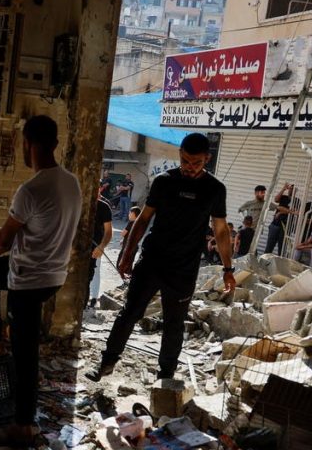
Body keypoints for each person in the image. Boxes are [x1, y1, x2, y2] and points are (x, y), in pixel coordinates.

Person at [89, 133, 235, 382]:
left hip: (184, 270)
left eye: (196, 163)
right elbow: (143, 219)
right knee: (129, 313)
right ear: (180, 155)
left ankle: (165, 377)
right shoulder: (164, 181)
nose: (189, 167)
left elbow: (221, 230)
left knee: (174, 324)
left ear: (207, 159)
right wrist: (127, 254)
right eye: (185, 161)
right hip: (152, 261)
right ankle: (107, 362)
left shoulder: (215, 189)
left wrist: (228, 269)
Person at [0, 115, 82, 445]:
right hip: (54, 275)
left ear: (27, 145)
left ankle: (23, 425)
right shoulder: (71, 183)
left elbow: (3, 240)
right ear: (55, 144)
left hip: (28, 279)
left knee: (25, 353)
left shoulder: (30, 190)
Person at [87, 188, 114, 309]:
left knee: (95, 272)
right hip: (77, 247)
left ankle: (93, 297)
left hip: (95, 246)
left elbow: (108, 231)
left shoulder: (104, 207)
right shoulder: (77, 202)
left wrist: (101, 246)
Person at [264, 183, 296, 256]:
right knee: (269, 246)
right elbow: (276, 199)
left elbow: (295, 212)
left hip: (286, 226)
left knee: (282, 249)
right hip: (275, 224)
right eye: (290, 189)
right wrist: (283, 189)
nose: (291, 190)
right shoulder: (284, 197)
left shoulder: (296, 201)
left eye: (293, 189)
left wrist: (281, 212)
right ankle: (264, 260)